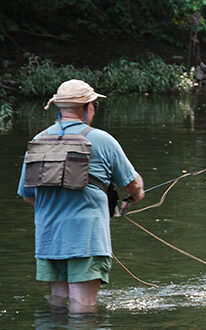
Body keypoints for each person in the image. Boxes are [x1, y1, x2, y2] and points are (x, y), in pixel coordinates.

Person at [17, 79, 145, 314]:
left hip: (49, 238)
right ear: (89, 107)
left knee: (57, 305)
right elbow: (132, 184)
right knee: (83, 308)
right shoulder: (102, 140)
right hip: (86, 239)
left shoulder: (38, 140)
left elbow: (27, 195)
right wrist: (137, 192)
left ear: (59, 107)